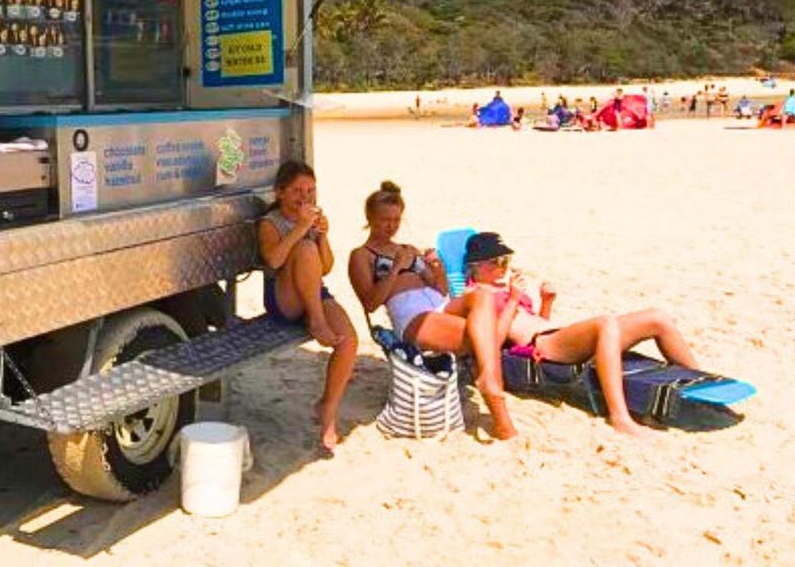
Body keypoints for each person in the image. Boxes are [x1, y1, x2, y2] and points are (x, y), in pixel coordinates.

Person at [462, 232, 700, 437]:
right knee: (604, 323)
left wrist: (546, 301)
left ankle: (699, 384)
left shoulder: (506, 289)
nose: (504, 266)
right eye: (496, 261)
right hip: (543, 347)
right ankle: (619, 417)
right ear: (476, 266)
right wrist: (513, 298)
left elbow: (536, 322)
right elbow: (491, 344)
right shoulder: (475, 298)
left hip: (558, 336)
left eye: (506, 259)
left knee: (657, 317)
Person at [348, 182, 517, 439]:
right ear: (369, 218)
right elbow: (370, 303)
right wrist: (395, 269)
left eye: (396, 220)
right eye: (385, 220)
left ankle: (488, 381)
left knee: (482, 295)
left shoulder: (408, 249)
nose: (391, 226)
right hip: (412, 316)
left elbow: (440, 287)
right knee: (483, 337)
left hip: (437, 304)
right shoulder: (361, 255)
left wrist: (436, 268)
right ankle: (499, 410)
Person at [257, 161, 357, 455]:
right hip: (285, 297)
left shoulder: (313, 221)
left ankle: (328, 408)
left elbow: (325, 268)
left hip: (314, 291)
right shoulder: (270, 223)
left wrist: (322, 235)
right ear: (280, 193)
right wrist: (301, 229)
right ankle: (316, 321)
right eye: (297, 190)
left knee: (349, 340)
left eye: (311, 190)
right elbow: (274, 261)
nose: (305, 196)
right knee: (304, 248)